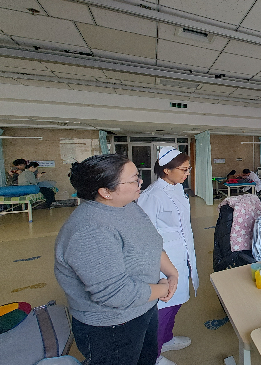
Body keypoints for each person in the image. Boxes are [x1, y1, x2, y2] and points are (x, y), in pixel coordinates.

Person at [54, 154, 179, 365]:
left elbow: (152, 243)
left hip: (144, 306)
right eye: (134, 180)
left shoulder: (128, 206)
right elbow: (115, 293)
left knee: (147, 359)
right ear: (105, 192)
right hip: (112, 325)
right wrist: (163, 289)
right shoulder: (89, 230)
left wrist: (172, 273)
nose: (141, 183)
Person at [137, 147, 199, 365]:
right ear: (166, 170)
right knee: (163, 306)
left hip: (182, 253)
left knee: (176, 302)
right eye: (183, 169)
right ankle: (153, 356)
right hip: (164, 259)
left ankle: (166, 339)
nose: (187, 173)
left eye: (188, 169)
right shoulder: (152, 195)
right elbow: (144, 235)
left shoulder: (177, 187)